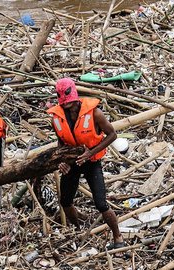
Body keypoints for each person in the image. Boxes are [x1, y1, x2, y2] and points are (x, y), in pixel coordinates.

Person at [47, 78, 124, 249]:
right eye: (64, 104)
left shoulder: (94, 113)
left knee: (101, 203)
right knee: (65, 201)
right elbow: (61, 142)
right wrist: (62, 161)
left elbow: (112, 135)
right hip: (73, 162)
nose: (67, 107)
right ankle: (78, 229)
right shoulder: (57, 118)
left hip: (92, 162)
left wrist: (91, 152)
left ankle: (118, 237)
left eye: (69, 104)